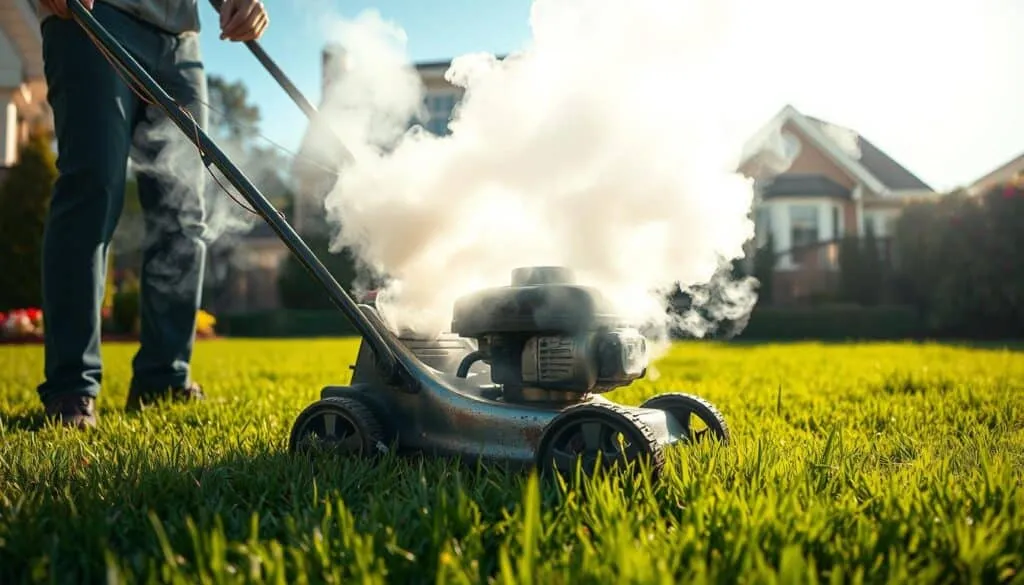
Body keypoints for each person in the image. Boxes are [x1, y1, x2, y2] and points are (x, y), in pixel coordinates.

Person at [31, 0, 269, 428]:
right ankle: (72, 385)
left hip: (179, 39)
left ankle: (164, 376)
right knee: (93, 187)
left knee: (184, 213)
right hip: (91, 14)